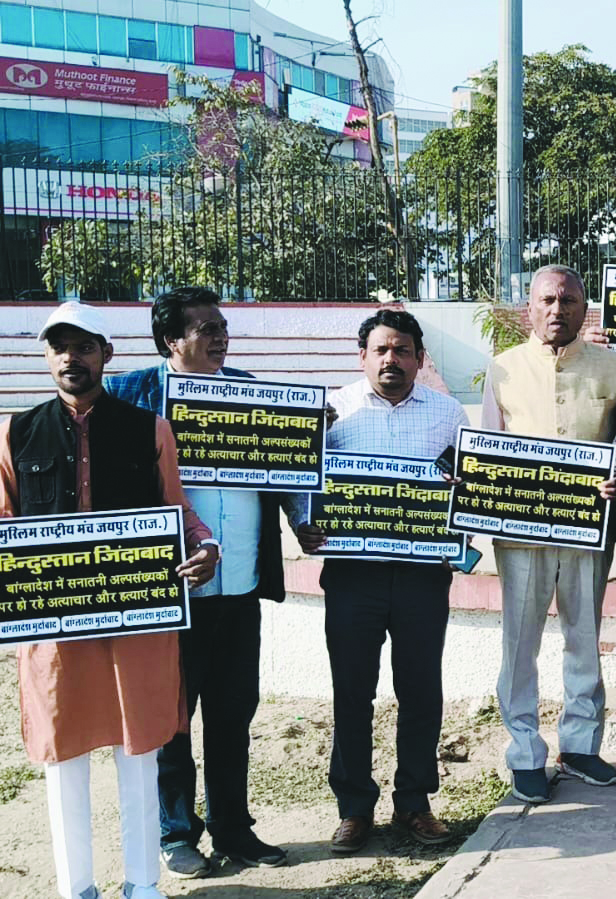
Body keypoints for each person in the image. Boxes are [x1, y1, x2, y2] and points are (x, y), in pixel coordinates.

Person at [1, 301, 219, 899]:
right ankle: (77, 888)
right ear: (48, 358)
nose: (71, 357)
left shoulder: (150, 429)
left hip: (137, 620)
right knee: (62, 758)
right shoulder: (16, 432)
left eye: (84, 346)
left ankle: (142, 884)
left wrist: (204, 546)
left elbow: (176, 510)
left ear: (106, 354)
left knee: (139, 750)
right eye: (60, 347)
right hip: (53, 626)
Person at [103, 287, 290, 877]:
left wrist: (306, 450)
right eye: (206, 328)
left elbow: (284, 470)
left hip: (240, 585)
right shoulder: (129, 395)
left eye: (223, 327)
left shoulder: (252, 392)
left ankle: (235, 829)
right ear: (170, 341)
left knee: (234, 715)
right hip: (171, 591)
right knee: (172, 718)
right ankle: (177, 832)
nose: (220, 337)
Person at [291, 309, 468, 854]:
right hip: (353, 575)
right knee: (352, 691)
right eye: (381, 350)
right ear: (362, 356)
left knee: (421, 690)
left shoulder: (448, 412)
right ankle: (354, 808)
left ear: (419, 358)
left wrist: (458, 514)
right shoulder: (333, 410)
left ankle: (414, 802)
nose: (392, 359)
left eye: (402, 350)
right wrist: (301, 521)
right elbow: (301, 473)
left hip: (422, 576)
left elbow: (468, 482)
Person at [482, 264, 616, 805]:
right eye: (546, 300)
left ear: (584, 308)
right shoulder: (503, 368)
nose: (557, 309)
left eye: (568, 300)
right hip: (521, 533)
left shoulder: (614, 368)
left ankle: (581, 746)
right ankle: (524, 751)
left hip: (588, 527)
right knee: (520, 641)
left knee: (584, 636)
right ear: (530, 308)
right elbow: (488, 448)